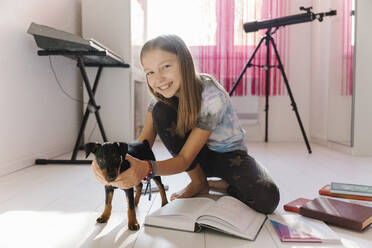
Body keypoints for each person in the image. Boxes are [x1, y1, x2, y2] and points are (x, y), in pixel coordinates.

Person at [92, 34, 280, 214]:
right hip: (197, 158)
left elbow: (184, 160)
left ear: (185, 63)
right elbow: (142, 146)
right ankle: (199, 182)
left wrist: (147, 169)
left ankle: (222, 183)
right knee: (160, 110)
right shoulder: (160, 100)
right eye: (150, 72)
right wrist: (110, 157)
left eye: (165, 66)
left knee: (267, 198)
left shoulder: (212, 96)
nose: (158, 79)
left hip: (230, 157)